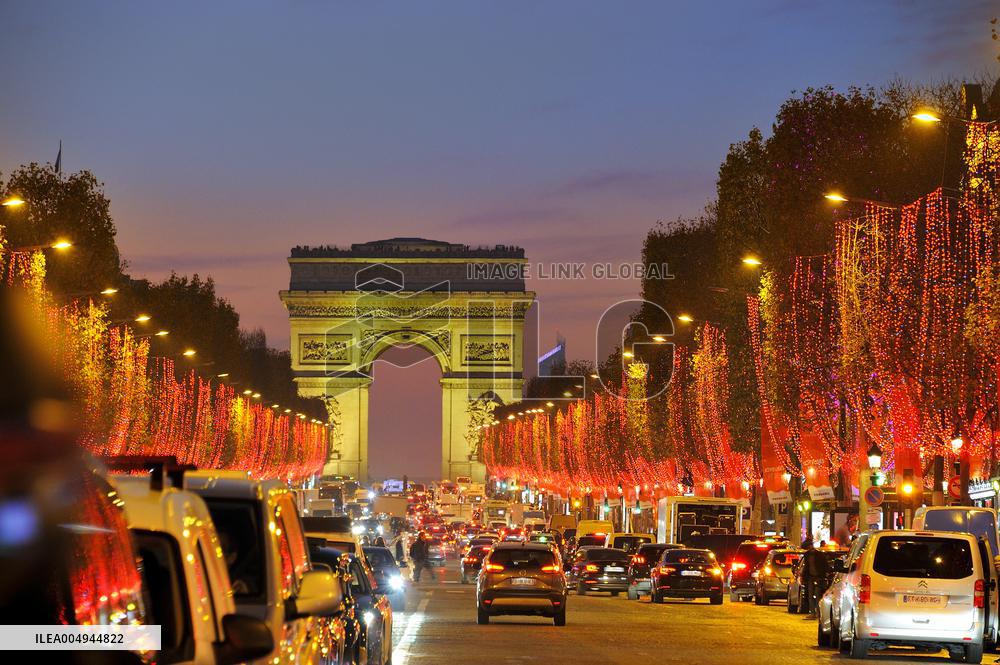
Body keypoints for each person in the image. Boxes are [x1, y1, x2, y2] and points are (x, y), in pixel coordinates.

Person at [800, 544, 830, 616]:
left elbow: (824, 566)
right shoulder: (807, 555)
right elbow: (806, 567)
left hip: (818, 577)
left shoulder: (820, 555)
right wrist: (803, 576)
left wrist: (825, 574)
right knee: (810, 595)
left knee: (817, 594)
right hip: (810, 577)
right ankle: (813, 612)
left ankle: (817, 612)